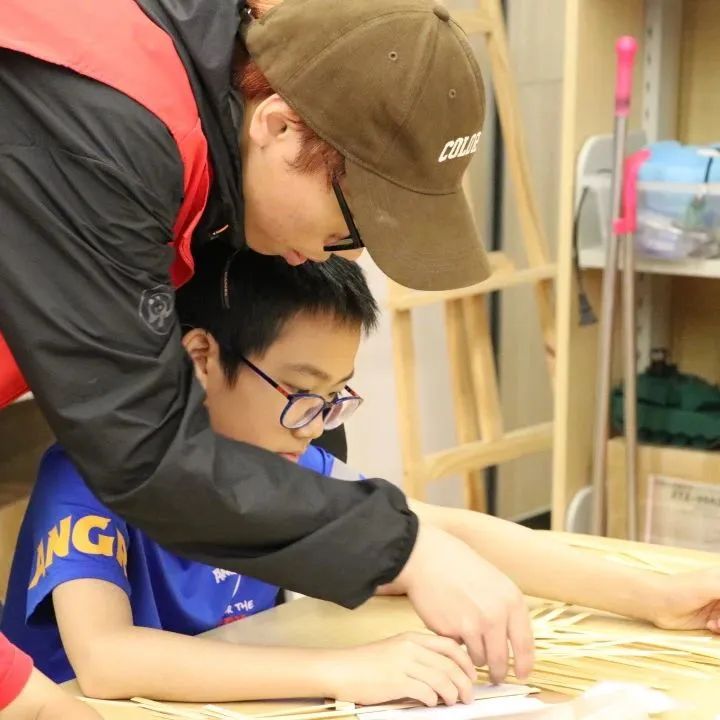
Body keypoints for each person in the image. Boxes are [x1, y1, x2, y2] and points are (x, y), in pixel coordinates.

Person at [0, 0, 519, 709]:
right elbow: (145, 453)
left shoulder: (198, 90)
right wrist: (400, 547)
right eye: (353, 226)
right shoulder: (113, 122)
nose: (345, 257)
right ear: (278, 125)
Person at [4, 249, 720, 709]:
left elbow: (438, 535)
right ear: (201, 358)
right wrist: (340, 670)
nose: (315, 426)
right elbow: (107, 661)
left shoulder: (280, 462)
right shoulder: (91, 472)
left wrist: (654, 596)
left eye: (334, 397)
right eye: (299, 392)